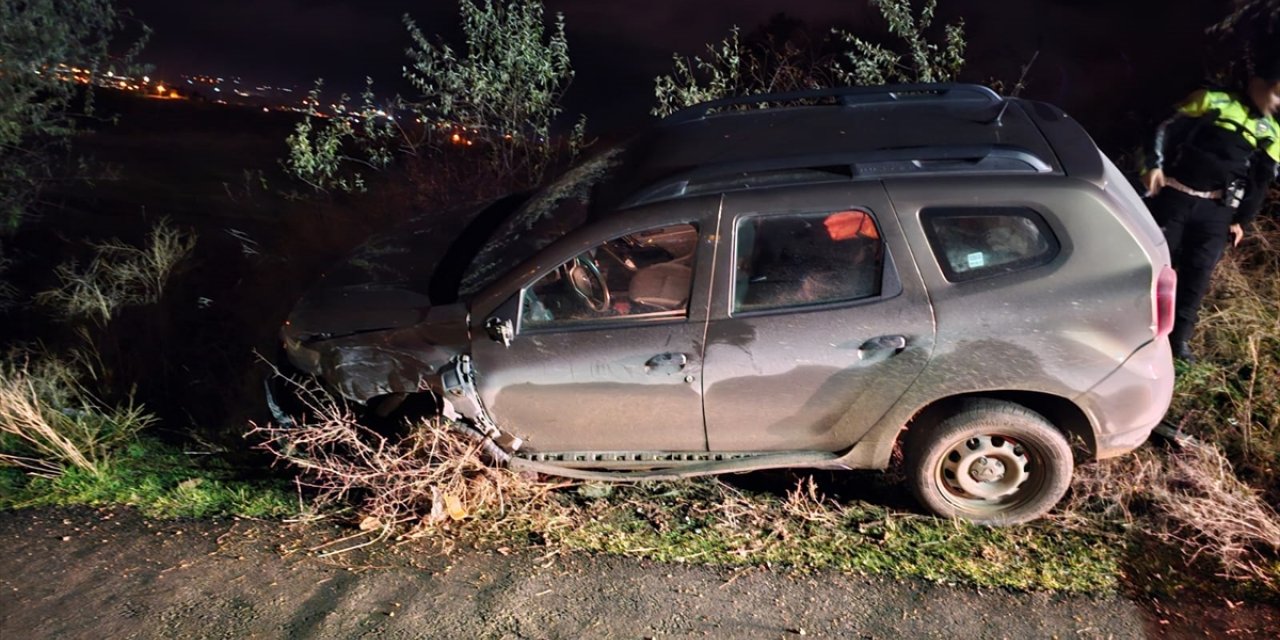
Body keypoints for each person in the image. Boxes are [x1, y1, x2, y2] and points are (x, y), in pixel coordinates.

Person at [1141, 56, 1280, 362]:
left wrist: (1241, 220)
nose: (1278, 101)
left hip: (1217, 212)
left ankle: (1178, 342)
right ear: (1257, 82)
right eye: (1276, 91)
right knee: (1154, 266)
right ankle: (1137, 329)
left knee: (1198, 275)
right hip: (1175, 196)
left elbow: (1261, 182)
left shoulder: (1271, 132)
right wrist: (1153, 165)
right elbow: (1163, 126)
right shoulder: (1213, 99)